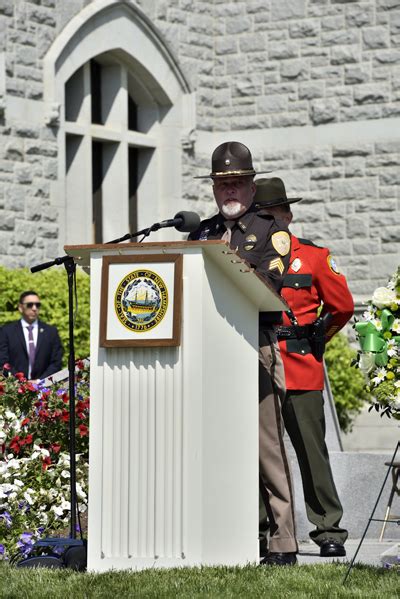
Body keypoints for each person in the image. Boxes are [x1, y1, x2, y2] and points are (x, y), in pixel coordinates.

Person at [189, 142, 298, 566]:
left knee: (266, 445)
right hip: (206, 352)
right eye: (222, 185)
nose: (229, 191)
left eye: (237, 183)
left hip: (254, 346)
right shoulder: (199, 234)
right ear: (214, 190)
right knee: (212, 443)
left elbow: (267, 289)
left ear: (252, 187)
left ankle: (283, 540)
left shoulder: (272, 230)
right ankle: (222, 531)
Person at [254, 177, 354, 557]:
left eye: (273, 214)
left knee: (311, 452)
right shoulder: (247, 257)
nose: (268, 222)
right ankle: (263, 529)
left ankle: (328, 528)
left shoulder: (311, 256)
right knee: (259, 455)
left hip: (298, 366)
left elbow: (341, 306)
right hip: (259, 367)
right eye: (261, 216)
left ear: (288, 214)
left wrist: (316, 338)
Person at [0, 290, 63, 381]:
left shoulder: (51, 332)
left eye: (37, 305)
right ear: (20, 307)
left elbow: (56, 363)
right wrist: (21, 382)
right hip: (15, 389)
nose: (34, 308)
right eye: (30, 304)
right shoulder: (6, 331)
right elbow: (3, 362)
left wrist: (39, 382)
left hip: (44, 389)